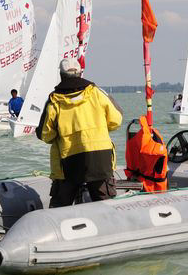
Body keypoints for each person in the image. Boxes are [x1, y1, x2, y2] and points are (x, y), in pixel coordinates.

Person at [36, 58, 123, 207]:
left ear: (61, 75)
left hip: (68, 160)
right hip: (100, 158)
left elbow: (45, 134)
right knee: (106, 205)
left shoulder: (54, 100)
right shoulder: (97, 92)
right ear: (80, 73)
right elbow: (116, 120)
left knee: (60, 207)